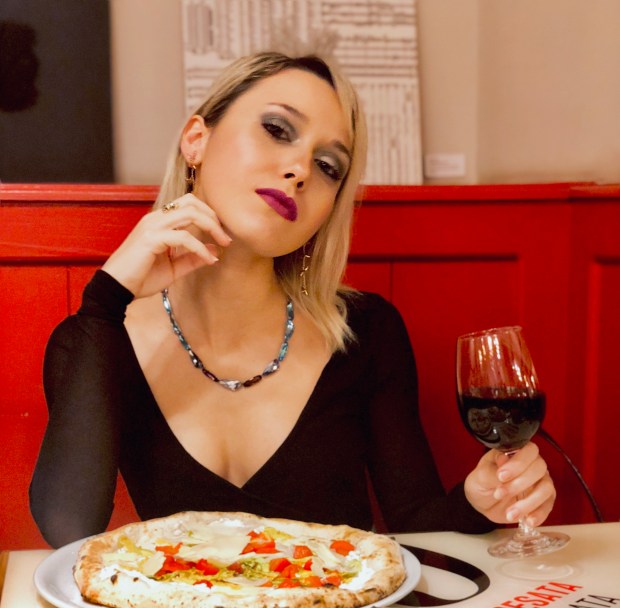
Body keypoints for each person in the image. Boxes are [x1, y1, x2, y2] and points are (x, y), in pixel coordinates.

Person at [29, 51, 556, 549]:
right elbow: (69, 527)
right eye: (277, 130)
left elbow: (416, 524)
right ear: (196, 141)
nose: (300, 169)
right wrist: (106, 299)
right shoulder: (95, 339)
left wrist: (479, 501)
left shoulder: (366, 332)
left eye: (328, 166)